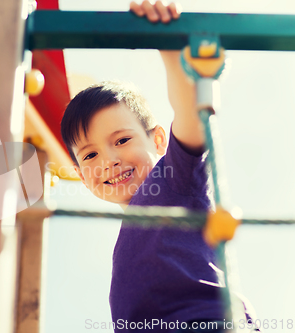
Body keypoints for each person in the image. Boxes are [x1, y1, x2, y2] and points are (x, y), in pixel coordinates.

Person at [60, 1, 234, 332]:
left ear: (157, 141)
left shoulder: (173, 180)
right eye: (90, 156)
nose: (109, 161)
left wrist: (169, 46)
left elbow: (190, 115)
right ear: (83, 178)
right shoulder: (130, 237)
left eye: (122, 141)